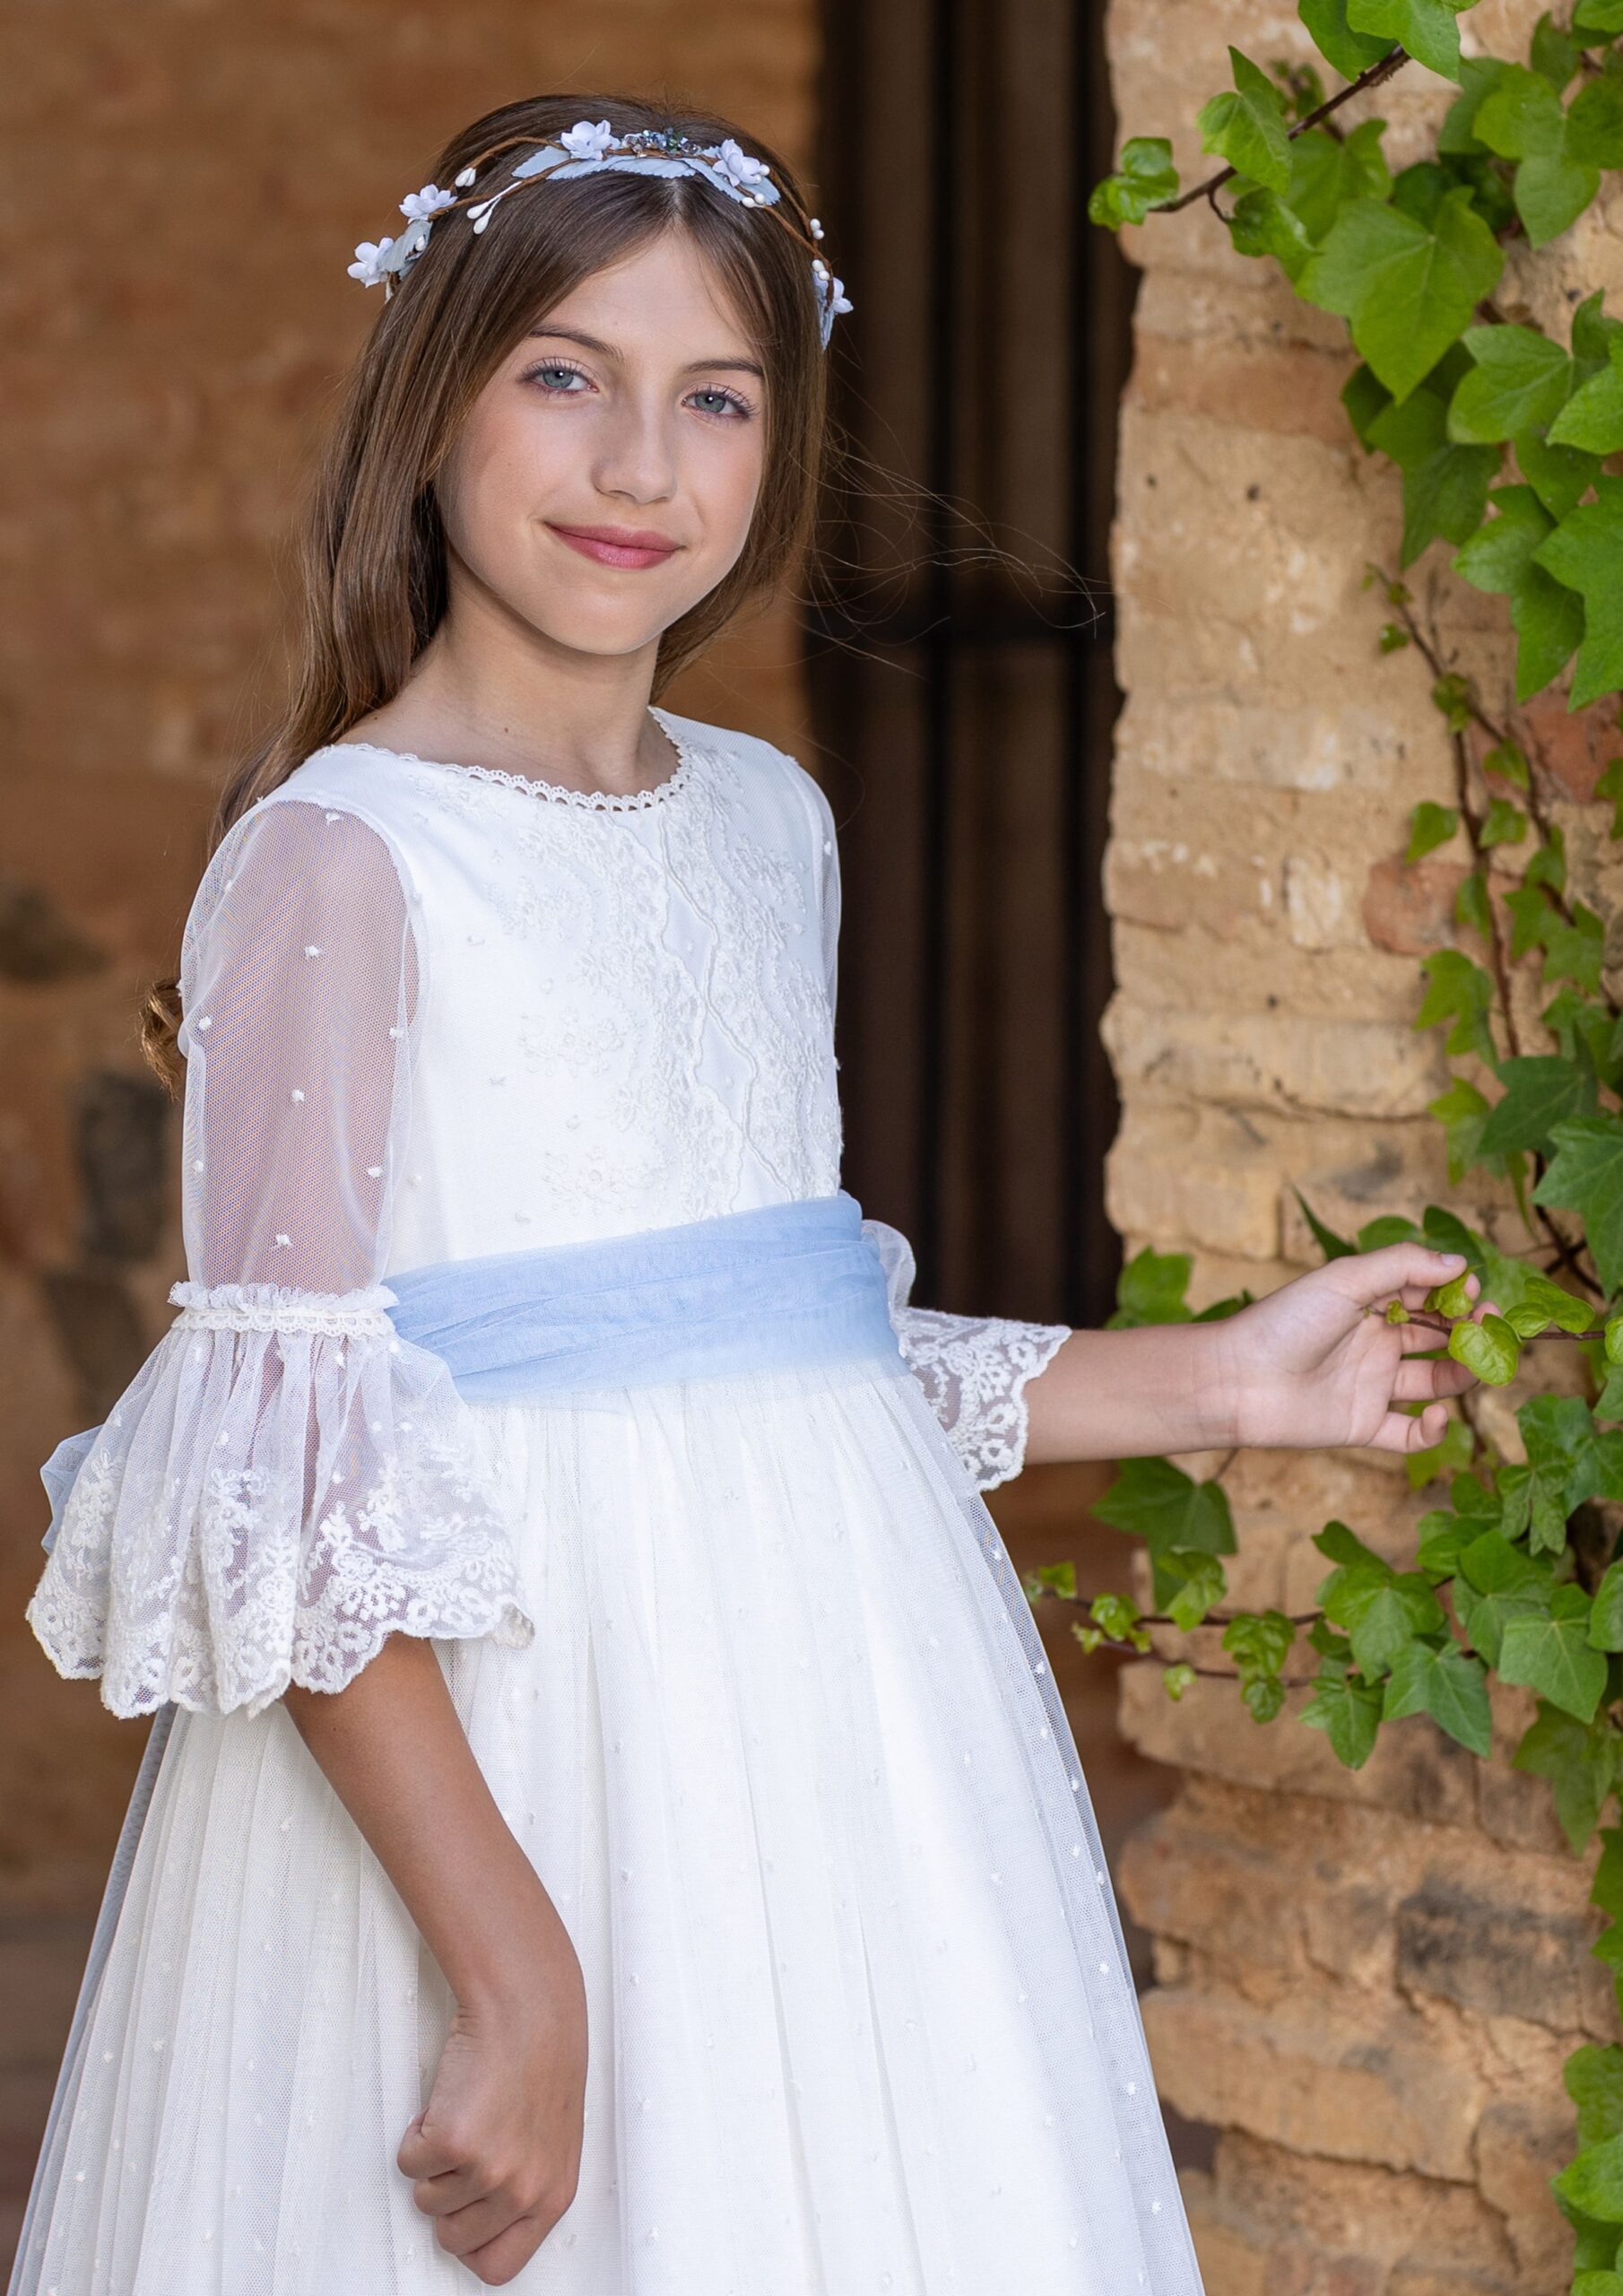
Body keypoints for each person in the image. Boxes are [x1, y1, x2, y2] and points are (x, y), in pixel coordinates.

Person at [11, 91, 1495, 2296]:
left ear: (775, 448)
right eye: (564, 377)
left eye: (713, 397)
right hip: (506, 1793)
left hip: (818, 1768)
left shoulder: (766, 819)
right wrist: (516, 1965)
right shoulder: (343, 856)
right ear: (430, 399)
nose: (639, 465)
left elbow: (769, 1351)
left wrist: (1226, 1383)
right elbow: (290, 1494)